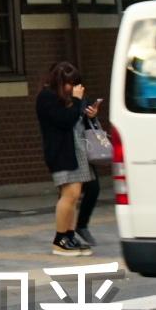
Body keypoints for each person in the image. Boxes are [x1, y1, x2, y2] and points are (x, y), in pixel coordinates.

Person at [35, 62, 104, 256]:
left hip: (79, 151)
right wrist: (76, 101)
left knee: (75, 196)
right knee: (69, 195)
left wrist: (91, 112)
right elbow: (64, 120)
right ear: (59, 82)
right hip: (62, 152)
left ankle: (70, 235)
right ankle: (60, 239)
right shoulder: (46, 97)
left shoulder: (71, 99)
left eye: (76, 83)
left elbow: (78, 119)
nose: (73, 88)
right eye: (69, 84)